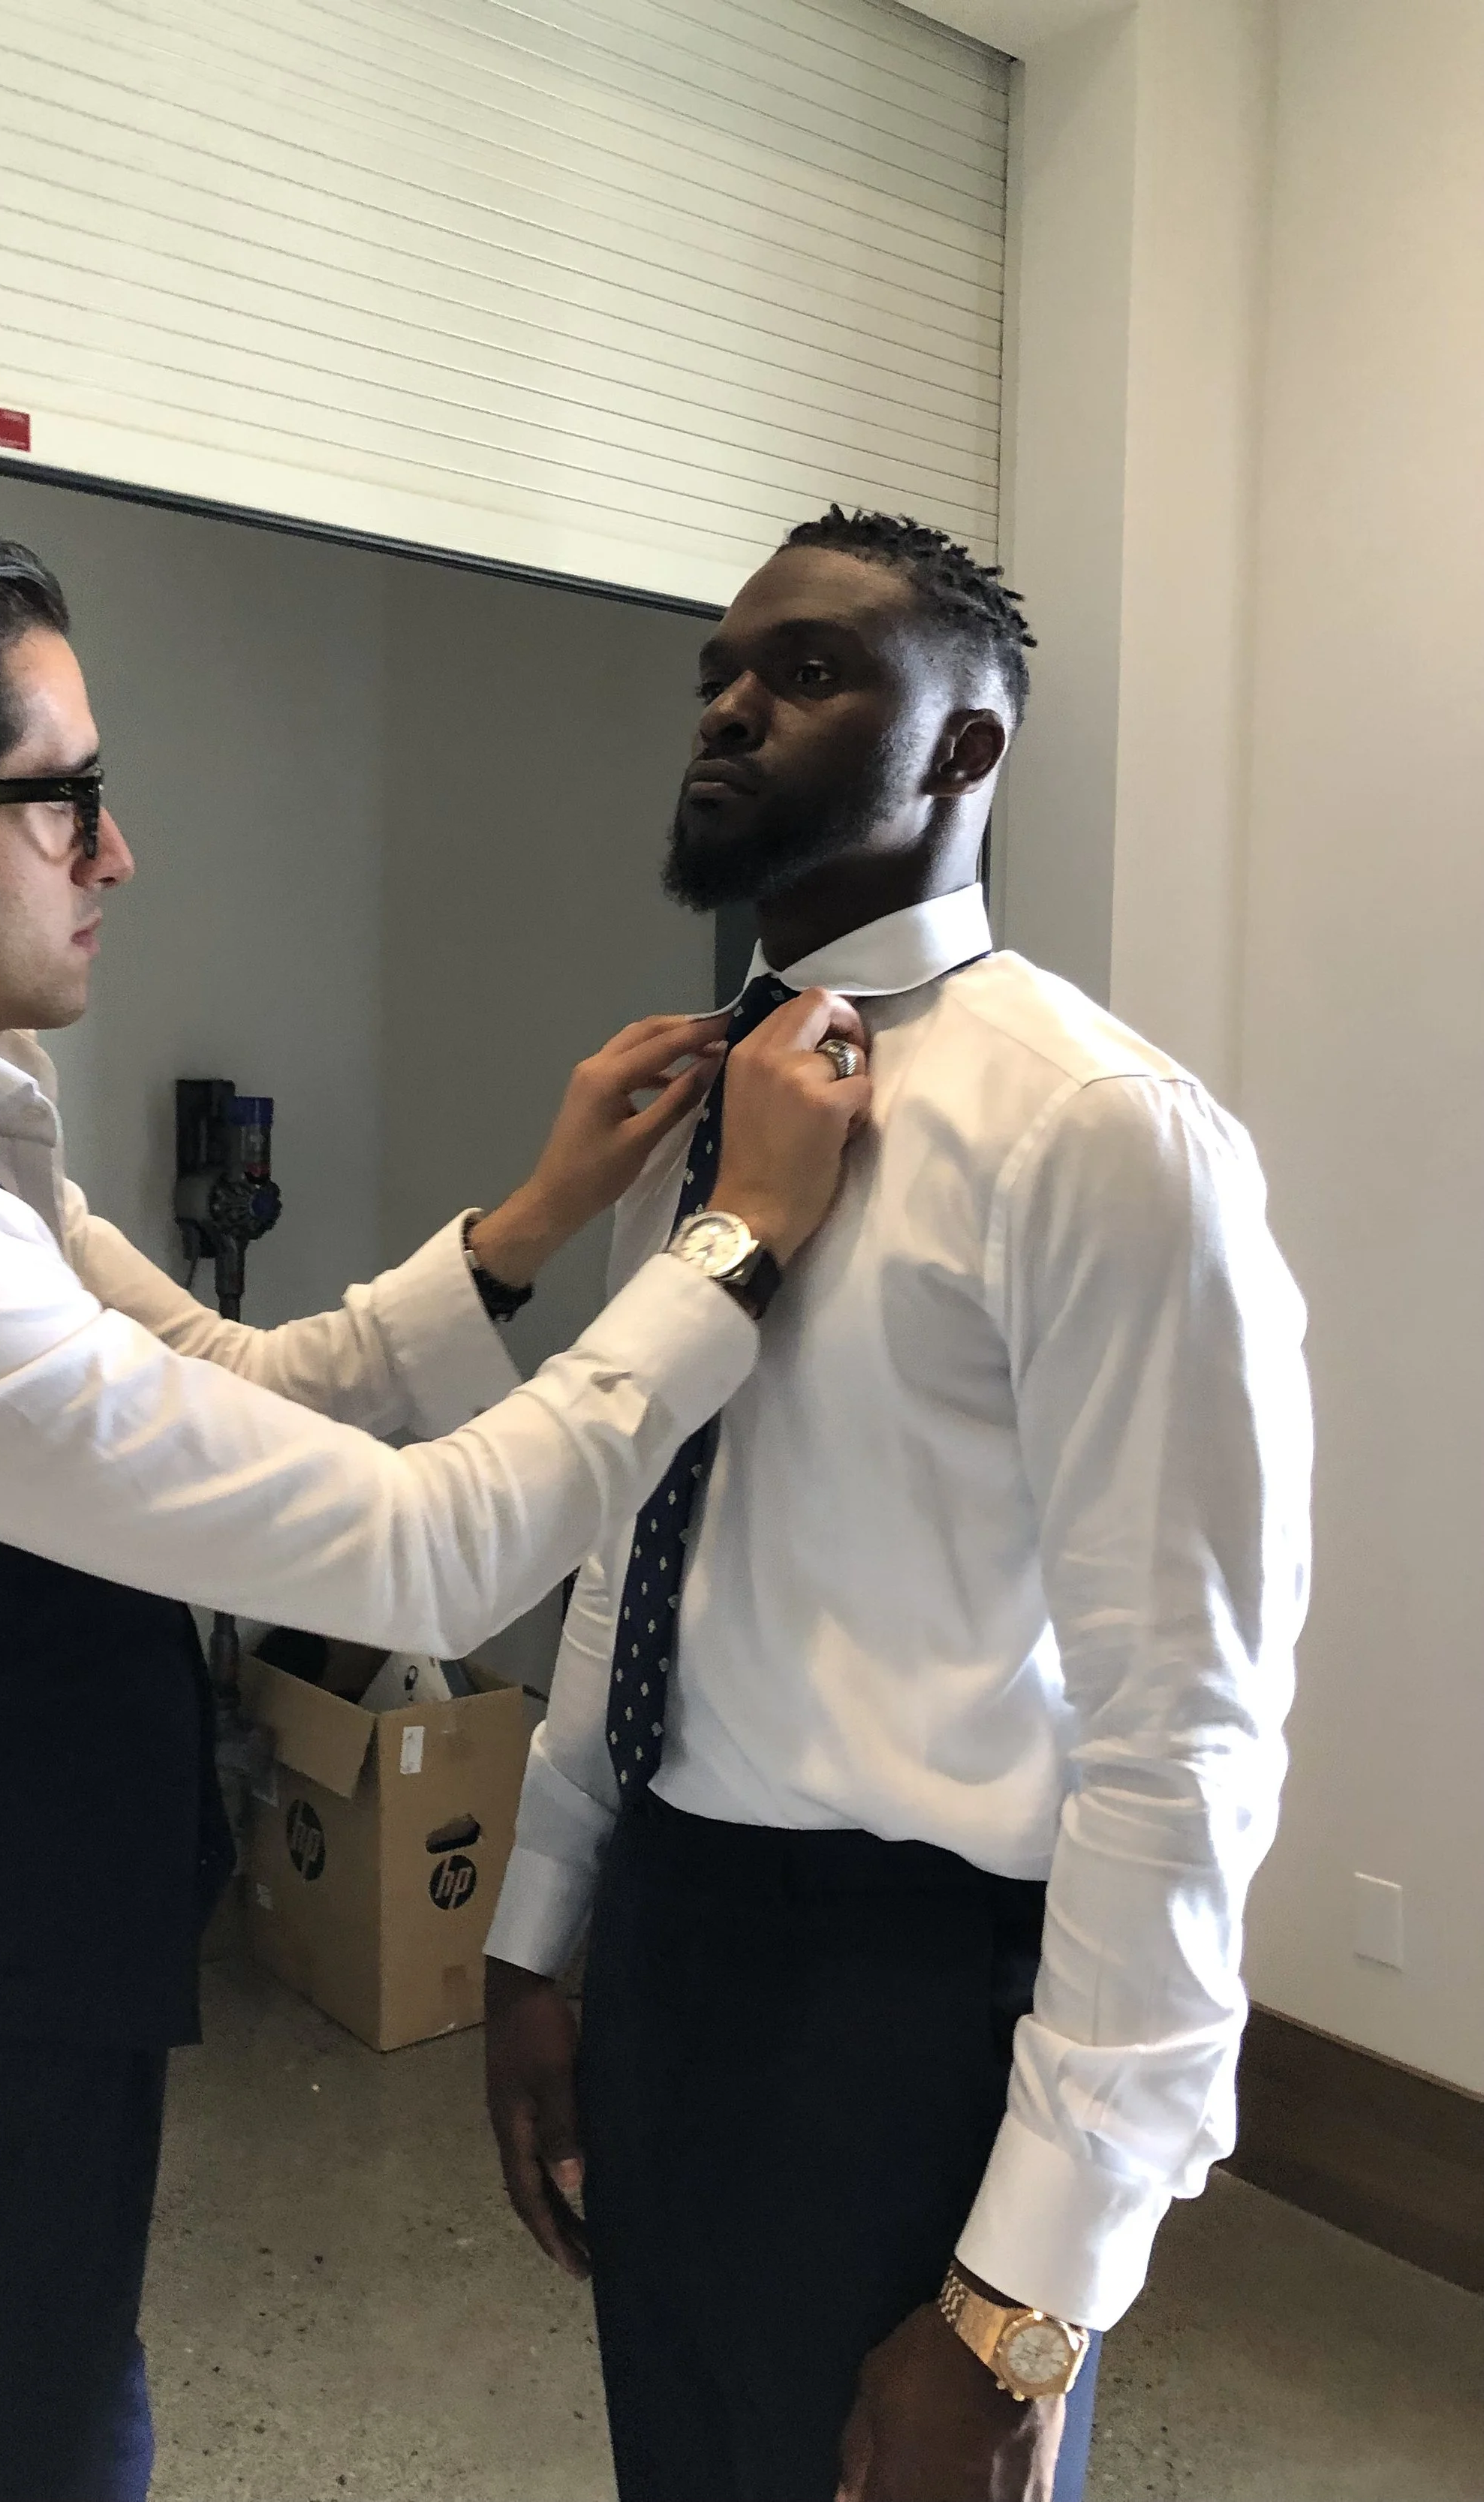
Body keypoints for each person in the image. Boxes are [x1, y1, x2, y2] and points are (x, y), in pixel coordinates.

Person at [0, 514, 871, 2502]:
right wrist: (730, 1250)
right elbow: (429, 1543)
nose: (117, 852)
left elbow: (239, 1382)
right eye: (69, 801)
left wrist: (531, 1225)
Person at [483, 507, 1313, 2502]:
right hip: (680, 1946)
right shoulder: (707, 1103)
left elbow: (1182, 1732)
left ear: (965, 752)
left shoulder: (1102, 1135)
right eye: (715, 672)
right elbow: (639, 1536)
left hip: (919, 1997)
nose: (730, 705)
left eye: (808, 669)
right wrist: (541, 1930)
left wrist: (1027, 2297)